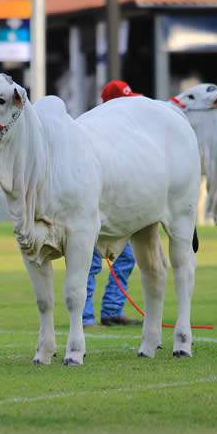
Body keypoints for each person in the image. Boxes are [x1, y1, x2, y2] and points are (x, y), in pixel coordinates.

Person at [83, 81, 143, 327]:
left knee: (126, 258)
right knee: (91, 262)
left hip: (119, 212)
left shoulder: (125, 133)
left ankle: (110, 311)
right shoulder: (95, 131)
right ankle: (85, 316)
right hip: (96, 210)